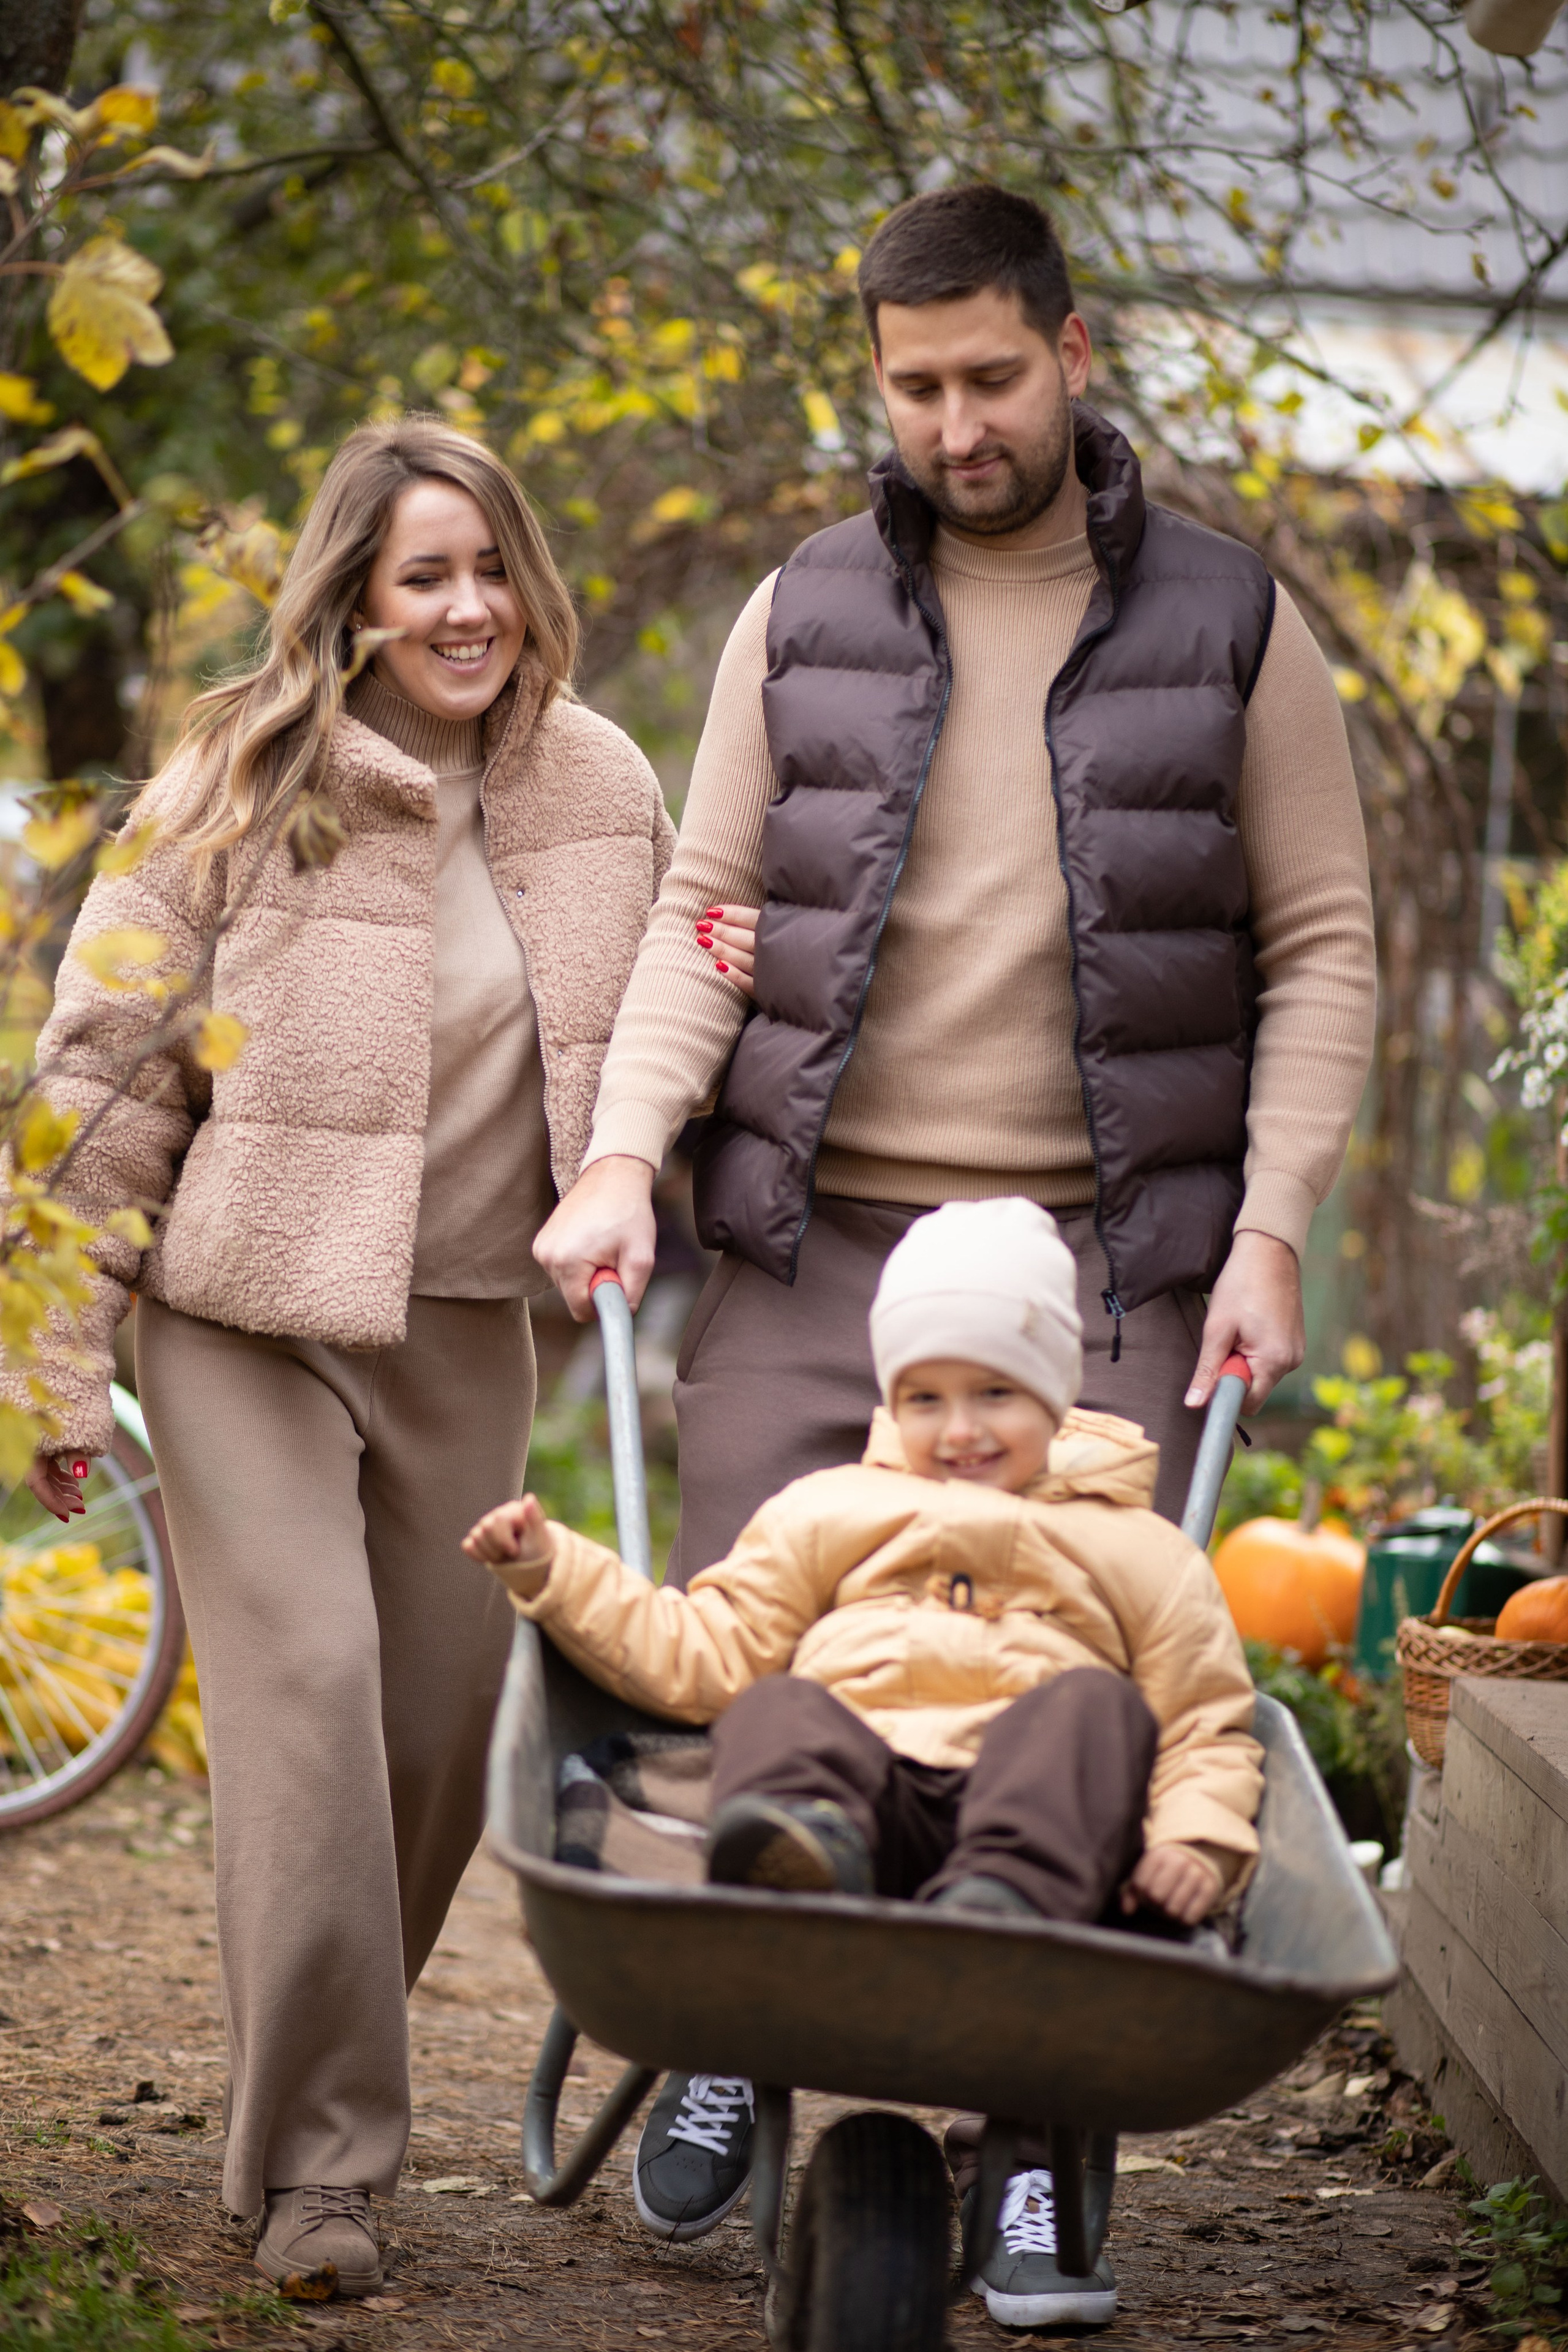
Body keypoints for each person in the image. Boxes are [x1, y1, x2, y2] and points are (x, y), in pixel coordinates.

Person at [533, 181, 1376, 2257]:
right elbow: (707, 914)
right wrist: (627, 1150)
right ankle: (741, 2013)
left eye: (990, 376)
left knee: (1069, 1687)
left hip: (1107, 1267)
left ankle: (1030, 2134)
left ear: (1074, 356)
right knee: (776, 1647)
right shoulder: (802, 609)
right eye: (914, 386)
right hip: (825, 1250)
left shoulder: (1231, 623)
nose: (953, 422)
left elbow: (1330, 944)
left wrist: (1269, 1223)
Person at [17, 417, 673, 2298]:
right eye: (422, 578)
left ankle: (298, 2092)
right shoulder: (238, 785)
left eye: (487, 570)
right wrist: (59, 1369)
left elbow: (669, 1026)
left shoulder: (602, 789)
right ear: (357, 606)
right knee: (306, 1697)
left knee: (433, 1748)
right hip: (244, 1322)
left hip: (470, 1329)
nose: (466, 609)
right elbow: (100, 1082)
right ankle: (327, 2171)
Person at [465, 1198, 1262, 2329]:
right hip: (860, 1802)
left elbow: (1205, 1726)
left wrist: (1197, 1841)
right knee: (781, 1702)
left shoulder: (1138, 1550)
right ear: (889, 1396)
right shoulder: (830, 1508)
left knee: (1094, 1710)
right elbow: (704, 1654)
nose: (962, 1428)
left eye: (997, 1393)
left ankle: (1005, 1944)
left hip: (1029, 1825)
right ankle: (792, 1871)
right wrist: (557, 1571)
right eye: (926, 1396)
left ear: (1057, 1391)